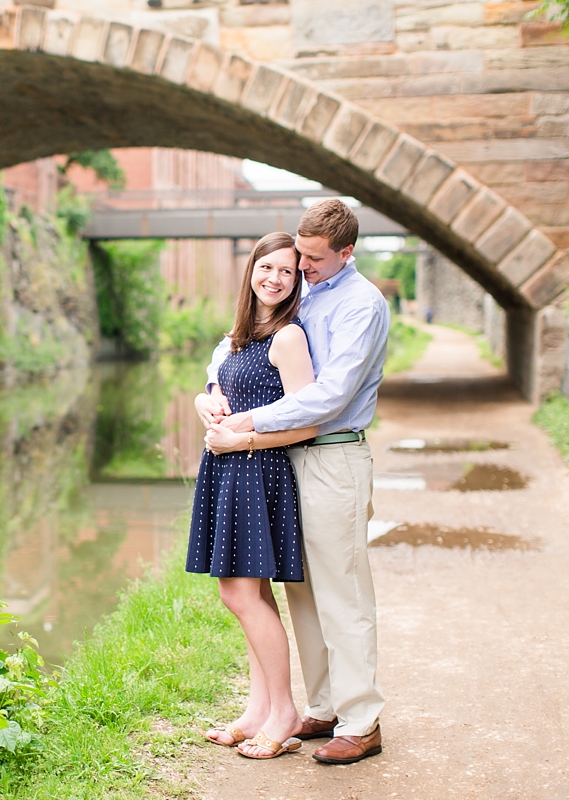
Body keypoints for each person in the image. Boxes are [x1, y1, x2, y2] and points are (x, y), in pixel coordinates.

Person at [197, 199, 390, 765]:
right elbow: (244, 339)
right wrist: (211, 388)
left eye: (312, 258)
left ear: (346, 253)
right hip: (289, 461)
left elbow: (329, 396)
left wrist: (248, 424)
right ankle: (324, 707)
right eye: (297, 255)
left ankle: (362, 721)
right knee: (301, 592)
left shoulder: (360, 302)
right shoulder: (311, 290)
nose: (300, 266)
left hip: (332, 457)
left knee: (343, 592)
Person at [187, 231, 319, 760]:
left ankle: (284, 711)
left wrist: (242, 438)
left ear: (296, 281)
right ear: (252, 270)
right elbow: (219, 389)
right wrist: (206, 403)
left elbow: (307, 422)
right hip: (228, 469)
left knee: (238, 595)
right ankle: (257, 710)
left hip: (256, 469)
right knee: (254, 597)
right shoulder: (242, 334)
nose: (275, 278)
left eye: (287, 271)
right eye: (267, 267)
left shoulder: (287, 337)